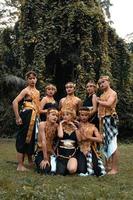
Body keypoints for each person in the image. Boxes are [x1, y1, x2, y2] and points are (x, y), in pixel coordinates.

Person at [12, 71, 40, 171]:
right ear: (27, 80)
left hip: (35, 116)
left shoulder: (37, 92)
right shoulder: (25, 90)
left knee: (32, 138)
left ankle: (30, 161)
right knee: (23, 137)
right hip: (26, 115)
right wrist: (17, 117)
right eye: (30, 78)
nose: (32, 80)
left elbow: (38, 106)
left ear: (36, 79)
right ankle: (20, 165)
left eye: (34, 78)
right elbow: (15, 102)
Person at [97, 75, 119, 175]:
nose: (101, 84)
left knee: (112, 144)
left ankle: (114, 168)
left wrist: (97, 100)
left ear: (108, 82)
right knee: (105, 143)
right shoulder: (102, 95)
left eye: (103, 82)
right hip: (103, 120)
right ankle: (107, 166)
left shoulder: (112, 93)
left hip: (110, 119)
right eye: (100, 83)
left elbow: (109, 104)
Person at [77, 107, 106, 176]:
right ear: (79, 115)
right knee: (82, 170)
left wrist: (89, 137)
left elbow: (100, 140)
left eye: (86, 115)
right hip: (79, 148)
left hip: (90, 148)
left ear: (89, 116)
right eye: (82, 115)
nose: (84, 117)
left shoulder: (92, 126)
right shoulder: (76, 125)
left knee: (96, 169)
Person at [35, 108, 59, 174]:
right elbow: (43, 141)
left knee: (56, 170)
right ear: (48, 115)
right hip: (41, 151)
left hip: (50, 151)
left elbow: (59, 138)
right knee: (45, 169)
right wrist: (45, 158)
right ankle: (40, 161)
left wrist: (54, 149)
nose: (55, 117)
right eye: (53, 115)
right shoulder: (42, 124)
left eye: (57, 116)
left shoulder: (56, 126)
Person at [56, 108, 79, 175]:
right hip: (61, 152)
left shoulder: (76, 125)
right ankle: (63, 167)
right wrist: (60, 124)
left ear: (72, 115)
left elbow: (79, 139)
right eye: (63, 115)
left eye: (67, 114)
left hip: (72, 152)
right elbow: (60, 136)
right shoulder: (59, 126)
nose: (65, 116)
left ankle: (69, 166)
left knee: (72, 170)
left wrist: (74, 127)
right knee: (60, 173)